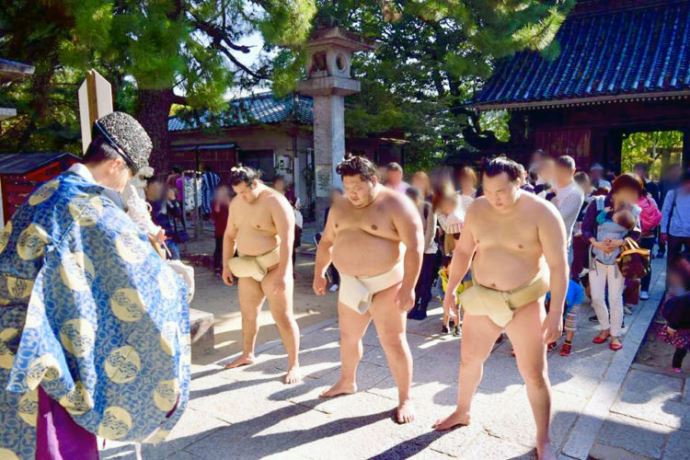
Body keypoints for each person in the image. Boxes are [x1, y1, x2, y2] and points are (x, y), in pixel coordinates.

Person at [0, 112, 191, 459]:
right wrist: (178, 283)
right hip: (49, 357)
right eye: (130, 176)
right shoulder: (90, 207)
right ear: (117, 164)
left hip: (11, 348)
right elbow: (146, 280)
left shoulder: (45, 193)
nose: (126, 186)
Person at [433, 157, 568, 460]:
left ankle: (543, 438)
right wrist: (451, 290)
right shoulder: (478, 208)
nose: (495, 198)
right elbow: (465, 249)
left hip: (524, 300)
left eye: (503, 191)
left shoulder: (543, 213)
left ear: (520, 180)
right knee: (469, 360)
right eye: (489, 190)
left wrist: (556, 312)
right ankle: (462, 411)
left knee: (533, 373)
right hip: (483, 297)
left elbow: (559, 266)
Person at [313, 155, 423, 424]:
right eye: (347, 187)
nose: (352, 193)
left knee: (393, 341)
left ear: (373, 180)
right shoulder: (340, 207)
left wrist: (409, 287)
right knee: (348, 337)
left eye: (358, 187)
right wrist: (319, 272)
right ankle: (347, 381)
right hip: (351, 281)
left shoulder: (396, 204)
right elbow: (327, 242)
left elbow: (415, 247)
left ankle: (405, 398)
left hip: (387, 283)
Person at [221, 166, 301, 384]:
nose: (242, 197)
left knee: (283, 317)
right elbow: (229, 236)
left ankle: (294, 364)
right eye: (237, 193)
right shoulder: (237, 203)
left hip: (273, 267)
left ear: (255, 183)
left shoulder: (276, 202)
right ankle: (248, 354)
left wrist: (285, 273)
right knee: (248, 315)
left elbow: (287, 239)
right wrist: (226, 266)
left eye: (245, 192)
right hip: (247, 266)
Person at [582, 174, 644, 351]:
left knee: (615, 298)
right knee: (596, 297)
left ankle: (615, 334)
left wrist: (620, 242)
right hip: (597, 256)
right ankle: (604, 328)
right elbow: (586, 227)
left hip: (619, 259)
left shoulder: (633, 209)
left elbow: (636, 232)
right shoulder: (599, 202)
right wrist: (596, 242)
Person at [406, 186, 438, 320]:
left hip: (428, 252)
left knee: (425, 282)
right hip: (414, 251)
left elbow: (430, 232)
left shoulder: (429, 208)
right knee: (416, 282)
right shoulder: (409, 210)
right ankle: (414, 307)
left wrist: (421, 250)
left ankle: (422, 308)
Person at [657, 254, 690, 372]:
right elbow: (678, 312)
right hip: (683, 327)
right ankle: (676, 365)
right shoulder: (684, 299)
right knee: (681, 349)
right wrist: (672, 325)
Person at [552, 155, 585, 248]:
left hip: (559, 244)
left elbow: (558, 218)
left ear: (573, 171)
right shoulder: (552, 184)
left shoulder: (576, 193)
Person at [661, 169, 690, 268]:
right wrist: (663, 231)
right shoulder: (673, 194)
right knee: (672, 262)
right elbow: (665, 212)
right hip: (675, 232)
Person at [273, 175, 303, 272]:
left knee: (291, 247)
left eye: (281, 183)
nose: (279, 185)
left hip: (290, 224)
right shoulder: (271, 195)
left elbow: (296, 207)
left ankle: (291, 269)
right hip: (275, 225)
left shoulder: (290, 194)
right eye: (277, 183)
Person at [637, 187, 662, 300]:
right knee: (646, 263)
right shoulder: (651, 200)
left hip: (634, 237)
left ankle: (629, 292)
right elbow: (657, 218)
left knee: (629, 262)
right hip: (649, 235)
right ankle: (644, 290)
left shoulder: (629, 201)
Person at [658, 163, 684, 257]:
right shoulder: (664, 181)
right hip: (665, 206)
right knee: (663, 228)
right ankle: (661, 248)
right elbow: (659, 192)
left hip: (678, 210)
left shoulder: (682, 181)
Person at [211, 185, 231, 275]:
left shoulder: (229, 200)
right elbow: (215, 213)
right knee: (219, 249)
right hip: (220, 229)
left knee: (231, 249)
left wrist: (227, 202)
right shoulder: (215, 202)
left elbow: (233, 211)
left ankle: (230, 268)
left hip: (230, 229)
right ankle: (217, 267)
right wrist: (219, 201)